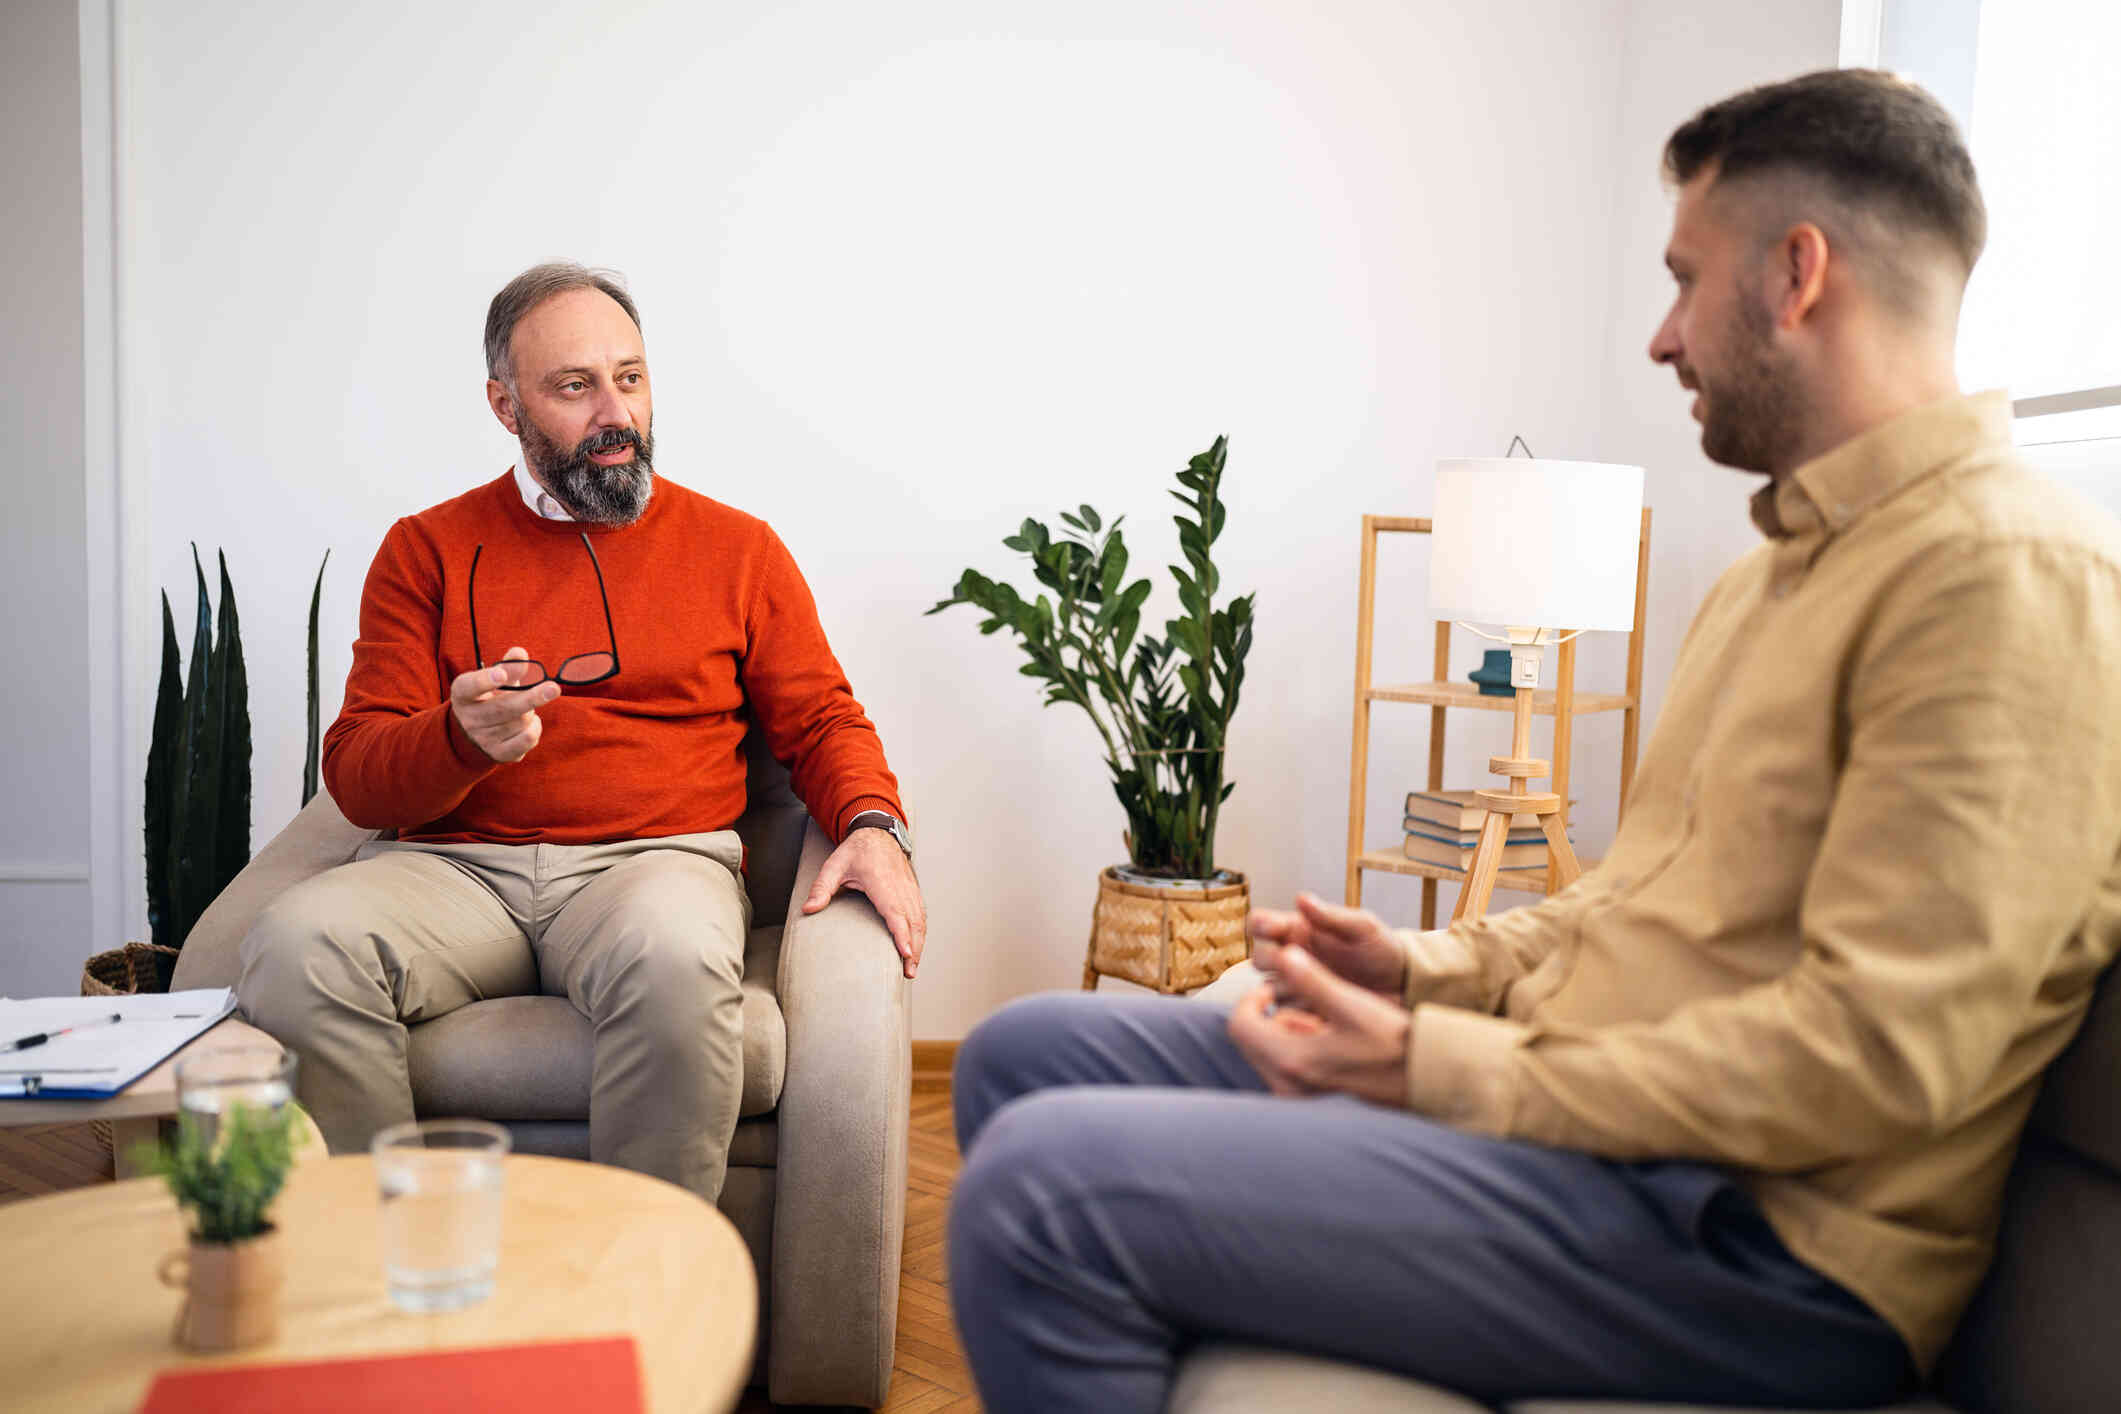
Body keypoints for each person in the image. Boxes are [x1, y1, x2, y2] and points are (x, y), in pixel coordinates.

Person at [947, 69, 2121, 1412]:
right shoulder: (1769, 578)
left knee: (1040, 1195)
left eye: (1686, 277)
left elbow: (1879, 1058)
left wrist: (1429, 1064)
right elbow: (1626, 904)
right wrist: (1415, 966)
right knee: (1024, 1051)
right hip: (1595, 1133)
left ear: (1798, 275)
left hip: (1751, 1243)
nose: (1660, 338)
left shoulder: (2010, 578)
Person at [238, 263, 926, 1202]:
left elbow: (821, 719)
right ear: (504, 403)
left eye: (630, 378)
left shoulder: (738, 548)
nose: (615, 412)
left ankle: (649, 1296)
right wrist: (460, 737)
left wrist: (873, 825)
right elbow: (358, 775)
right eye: (575, 386)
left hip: (650, 867)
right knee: (295, 944)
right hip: (454, 874)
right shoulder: (425, 549)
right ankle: (400, 1259)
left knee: (680, 960)